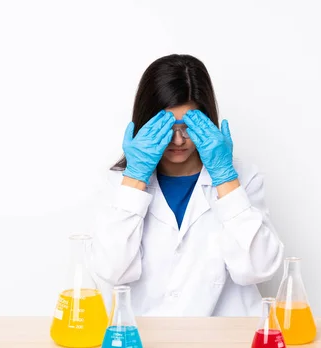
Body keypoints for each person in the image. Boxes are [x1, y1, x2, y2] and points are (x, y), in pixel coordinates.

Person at [91, 54, 284, 316]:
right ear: (145, 123)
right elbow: (110, 270)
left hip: (229, 341)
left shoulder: (243, 178)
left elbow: (259, 269)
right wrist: (136, 177)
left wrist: (225, 178)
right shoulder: (118, 184)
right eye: (166, 128)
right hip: (147, 341)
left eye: (188, 127)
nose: (178, 140)